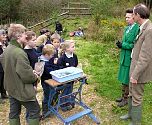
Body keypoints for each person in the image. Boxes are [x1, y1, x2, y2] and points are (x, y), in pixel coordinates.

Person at [120, 4, 152, 125]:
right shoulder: (142, 26)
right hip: (134, 66)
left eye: (133, 14)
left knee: (137, 96)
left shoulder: (149, 30)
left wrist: (135, 74)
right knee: (131, 93)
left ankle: (136, 122)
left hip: (140, 71)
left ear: (138, 15)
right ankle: (130, 114)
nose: (132, 16)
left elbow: (145, 57)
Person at [2, 24, 40, 125]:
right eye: (24, 33)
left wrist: (28, 71)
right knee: (35, 110)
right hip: (21, 89)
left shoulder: (7, 49)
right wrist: (35, 76)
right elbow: (27, 77)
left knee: (14, 112)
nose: (26, 36)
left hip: (11, 87)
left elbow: (10, 67)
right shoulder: (19, 52)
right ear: (18, 36)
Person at [116, 9, 139, 107]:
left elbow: (135, 45)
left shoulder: (137, 29)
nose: (126, 19)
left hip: (130, 58)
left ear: (134, 17)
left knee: (127, 78)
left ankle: (126, 98)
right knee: (123, 78)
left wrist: (123, 45)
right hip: (123, 57)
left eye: (128, 17)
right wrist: (120, 45)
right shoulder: (127, 28)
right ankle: (123, 96)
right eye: (125, 17)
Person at [57, 40, 78, 111]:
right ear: (67, 49)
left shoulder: (74, 56)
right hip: (65, 80)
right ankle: (63, 105)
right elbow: (60, 68)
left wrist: (75, 77)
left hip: (72, 79)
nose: (74, 48)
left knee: (70, 90)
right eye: (73, 47)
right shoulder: (62, 58)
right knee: (64, 92)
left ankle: (68, 102)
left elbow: (75, 65)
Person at [39, 44, 56, 118]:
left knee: (51, 94)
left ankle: (50, 107)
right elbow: (50, 71)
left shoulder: (46, 60)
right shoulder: (44, 63)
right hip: (46, 82)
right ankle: (45, 111)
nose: (52, 57)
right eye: (51, 55)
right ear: (46, 55)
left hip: (49, 81)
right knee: (47, 96)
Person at [0, 29, 8, 103]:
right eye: (3, 35)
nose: (5, 36)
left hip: (4, 65)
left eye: (5, 35)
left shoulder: (5, 44)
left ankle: (3, 93)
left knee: (3, 80)